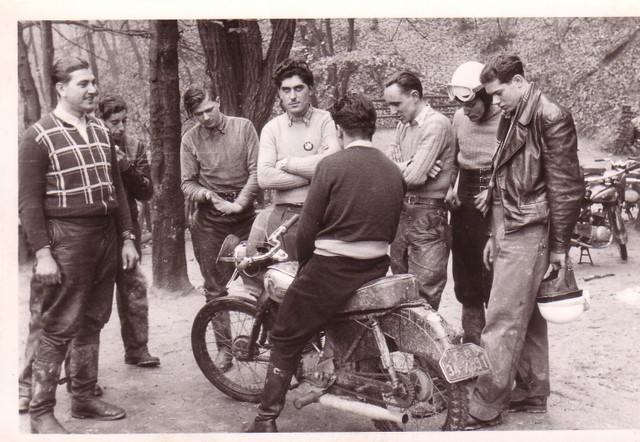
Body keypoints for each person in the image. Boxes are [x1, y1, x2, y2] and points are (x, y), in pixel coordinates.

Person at [244, 93, 406, 433]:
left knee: (286, 334)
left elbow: (307, 231)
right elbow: (391, 226)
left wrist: (305, 266)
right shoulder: (393, 170)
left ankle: (266, 418)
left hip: (333, 268)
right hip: (376, 265)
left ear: (339, 129)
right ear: (373, 128)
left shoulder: (330, 166)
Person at [18, 57, 138, 433]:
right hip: (66, 238)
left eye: (93, 83)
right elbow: (28, 202)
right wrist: (42, 253)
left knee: (92, 321)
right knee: (58, 325)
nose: (92, 90)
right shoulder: (38, 136)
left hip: (104, 236)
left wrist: (127, 237)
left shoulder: (102, 131)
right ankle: (40, 412)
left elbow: (117, 190)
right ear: (61, 89)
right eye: (83, 84)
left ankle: (84, 398)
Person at [464, 54, 584, 430]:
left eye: (499, 93)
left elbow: (567, 187)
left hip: (530, 228)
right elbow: (503, 181)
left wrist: (560, 248)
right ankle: (532, 391)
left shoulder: (551, 115)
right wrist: (492, 234)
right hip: (510, 225)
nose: (495, 102)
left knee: (501, 318)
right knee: (525, 314)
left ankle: (486, 404)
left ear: (518, 81)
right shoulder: (514, 113)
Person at [180, 84, 260, 370]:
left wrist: (239, 203)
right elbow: (187, 182)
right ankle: (224, 350)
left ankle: (277, 342)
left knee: (265, 277)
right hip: (210, 220)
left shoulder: (244, 128)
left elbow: (256, 171)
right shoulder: (190, 139)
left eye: (208, 110)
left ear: (218, 100)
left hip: (247, 215)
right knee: (215, 289)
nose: (205, 118)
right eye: (197, 114)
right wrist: (206, 195)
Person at [252, 57, 341, 260]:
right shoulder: (272, 129)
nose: (292, 96)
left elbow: (332, 164)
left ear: (310, 89)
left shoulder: (326, 120)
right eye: (286, 90)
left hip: (325, 215)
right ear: (279, 94)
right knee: (286, 279)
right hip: (284, 217)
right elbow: (264, 178)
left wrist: (287, 164)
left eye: (298, 88)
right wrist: (314, 174)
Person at [383, 70, 456, 311]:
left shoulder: (436, 124)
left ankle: (425, 350)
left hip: (427, 217)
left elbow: (413, 177)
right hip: (400, 214)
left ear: (415, 96)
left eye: (396, 104)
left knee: (424, 297)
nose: (392, 111)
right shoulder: (403, 125)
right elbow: (393, 167)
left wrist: (409, 168)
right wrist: (411, 164)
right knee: (400, 291)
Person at [98, 94, 160, 367]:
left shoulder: (135, 146)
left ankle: (137, 349)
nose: (120, 128)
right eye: (114, 122)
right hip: (98, 228)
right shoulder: (91, 145)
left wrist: (125, 166)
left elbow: (146, 191)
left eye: (124, 121)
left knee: (133, 288)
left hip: (129, 227)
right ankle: (85, 370)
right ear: (101, 121)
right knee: (93, 296)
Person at [444, 61, 501, 345]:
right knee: (466, 274)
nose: (468, 112)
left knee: (492, 273)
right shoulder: (458, 118)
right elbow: (453, 158)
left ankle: (496, 347)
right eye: (462, 106)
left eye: (473, 105)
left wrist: (494, 187)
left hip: (496, 202)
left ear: (488, 96)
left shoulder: (506, 118)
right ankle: (472, 340)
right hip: (465, 201)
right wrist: (450, 187)